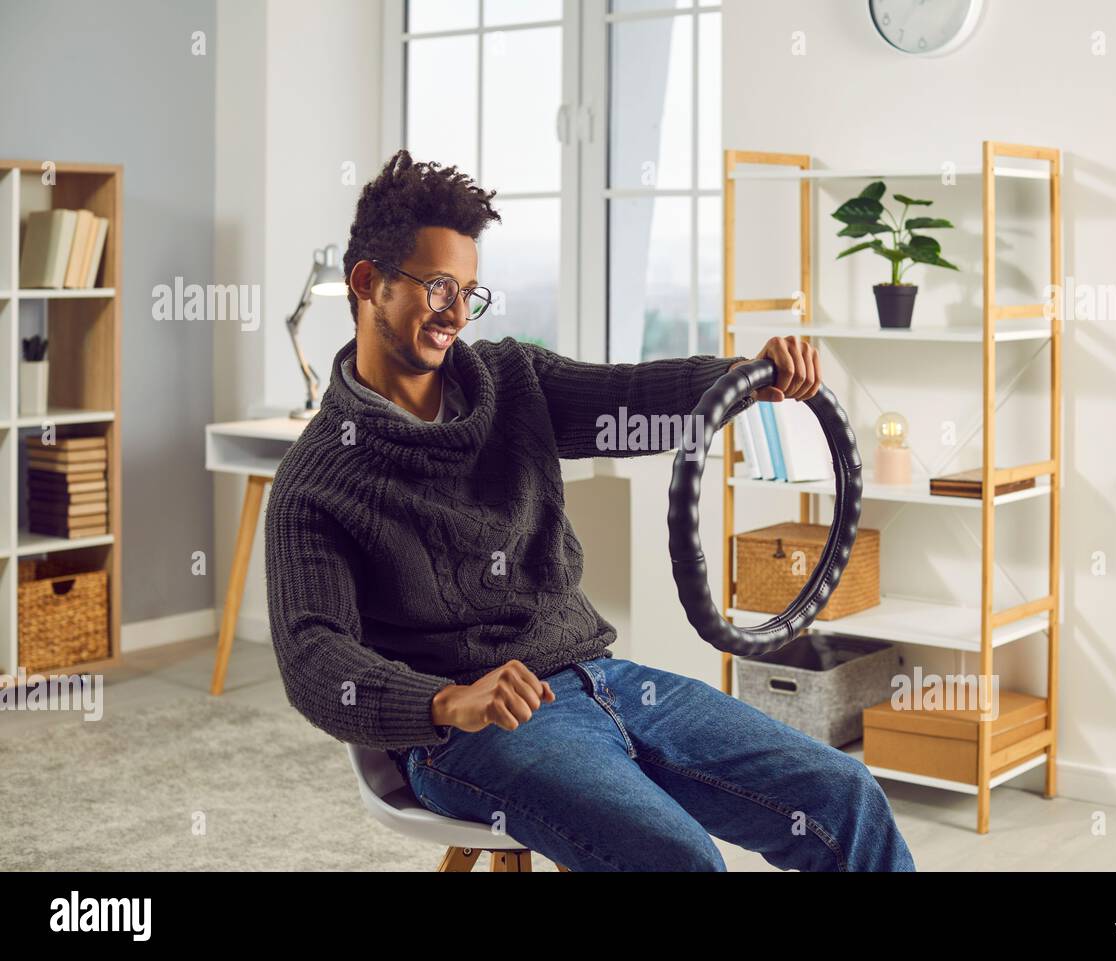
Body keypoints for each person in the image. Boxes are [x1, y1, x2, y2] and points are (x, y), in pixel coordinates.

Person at [265, 149, 915, 872]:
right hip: (475, 731)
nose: (455, 312)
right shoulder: (315, 481)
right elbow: (314, 658)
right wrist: (447, 701)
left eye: (470, 292)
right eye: (438, 285)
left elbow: (627, 397)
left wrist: (741, 378)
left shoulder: (510, 380)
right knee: (677, 858)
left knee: (847, 794)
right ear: (366, 283)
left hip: (605, 679)